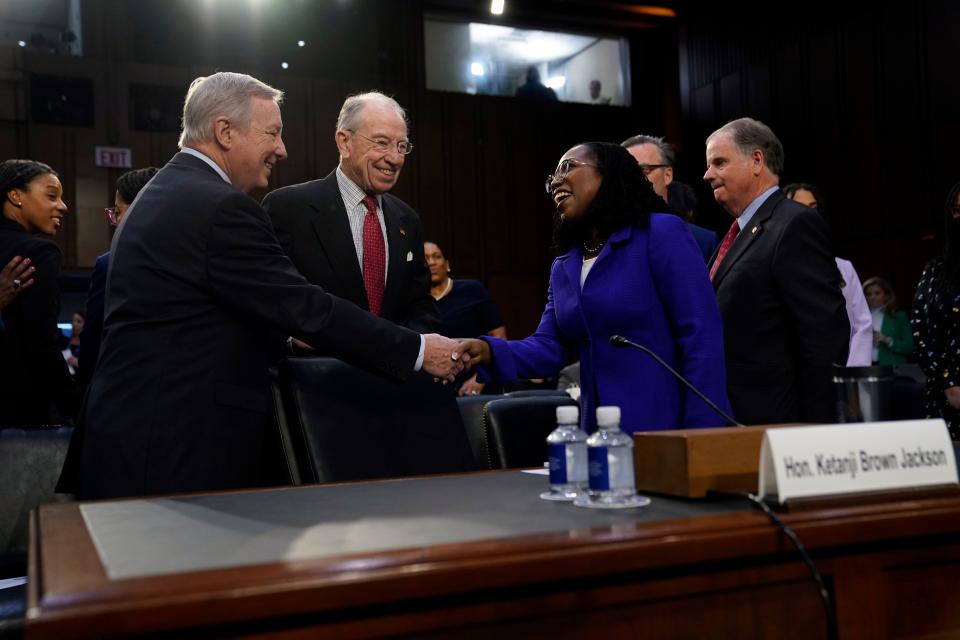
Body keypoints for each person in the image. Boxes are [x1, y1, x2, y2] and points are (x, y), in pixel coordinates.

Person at [59, 72, 465, 500]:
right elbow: (305, 307)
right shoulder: (219, 207)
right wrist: (419, 350)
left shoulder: (168, 190)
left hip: (143, 435)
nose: (281, 149)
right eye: (272, 132)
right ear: (224, 132)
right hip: (172, 445)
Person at [459, 142, 731, 434]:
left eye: (568, 168)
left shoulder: (660, 233)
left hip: (666, 427)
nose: (556, 182)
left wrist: (703, 430)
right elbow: (550, 347)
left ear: (608, 174)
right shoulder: (565, 265)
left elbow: (700, 336)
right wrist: (487, 350)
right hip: (599, 436)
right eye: (551, 178)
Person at [704, 118, 848, 425]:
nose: (707, 175)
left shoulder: (794, 224)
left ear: (756, 160)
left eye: (719, 162)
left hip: (781, 423)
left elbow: (824, 336)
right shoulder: (734, 234)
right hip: (736, 417)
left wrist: (811, 427)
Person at [263, 92, 439, 335]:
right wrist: (290, 342)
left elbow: (419, 303)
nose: (395, 158)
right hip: (316, 368)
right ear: (345, 142)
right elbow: (268, 297)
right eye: (381, 142)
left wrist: (416, 352)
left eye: (401, 146)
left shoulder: (407, 219)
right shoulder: (288, 208)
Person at [0, 159, 79, 425]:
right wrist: (76, 407)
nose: (63, 206)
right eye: (51, 196)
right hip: (18, 409)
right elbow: (41, 343)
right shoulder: (39, 251)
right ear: (15, 196)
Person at [77, 166, 159, 394]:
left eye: (118, 211)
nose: (114, 222)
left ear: (141, 209)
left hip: (121, 394)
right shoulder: (194, 258)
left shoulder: (111, 263)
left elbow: (93, 339)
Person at [785, 182, 872, 367]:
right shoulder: (772, 264)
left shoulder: (843, 268)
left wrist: (851, 373)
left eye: (813, 207)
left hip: (840, 375)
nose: (807, 214)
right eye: (798, 207)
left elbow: (861, 324)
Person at [424, 240, 506, 396]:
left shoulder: (472, 290)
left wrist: (480, 379)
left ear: (447, 264)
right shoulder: (417, 301)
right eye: (426, 258)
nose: (432, 262)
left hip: (478, 386)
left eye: (437, 257)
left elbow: (499, 337)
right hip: (435, 391)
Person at [621, 134, 718, 263]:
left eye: (643, 170)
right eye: (626, 172)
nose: (633, 179)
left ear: (667, 175)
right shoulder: (606, 242)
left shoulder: (703, 241)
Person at [912, 182, 960, 438]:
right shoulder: (936, 271)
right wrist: (949, 383)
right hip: (950, 394)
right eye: (958, 209)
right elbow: (921, 329)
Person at [864, 276, 912, 366]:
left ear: (886, 295)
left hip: (891, 368)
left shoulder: (899, 317)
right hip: (865, 367)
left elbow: (909, 348)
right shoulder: (860, 318)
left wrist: (887, 340)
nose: (872, 297)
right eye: (868, 294)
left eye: (877, 293)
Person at [61, 310, 84, 375]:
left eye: (78, 322)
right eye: (72, 321)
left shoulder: (89, 345)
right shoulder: (64, 341)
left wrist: (78, 363)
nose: (74, 324)